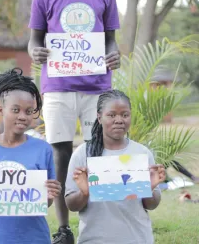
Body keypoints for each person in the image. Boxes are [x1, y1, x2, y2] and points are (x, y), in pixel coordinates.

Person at [28, 0, 121, 242]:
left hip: (98, 86)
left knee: (99, 152)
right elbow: (35, 39)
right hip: (58, 87)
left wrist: (114, 53)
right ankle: (63, 228)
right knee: (60, 152)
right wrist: (35, 52)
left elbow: (110, 38)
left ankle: (100, 224)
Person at [0, 68, 61, 244]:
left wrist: (49, 195)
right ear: (2, 110)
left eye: (29, 111)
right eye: (16, 110)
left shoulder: (43, 149)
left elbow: (44, 203)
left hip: (35, 239)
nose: (23, 116)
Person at [65, 90, 166, 244]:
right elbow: (71, 205)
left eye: (125, 115)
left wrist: (149, 188)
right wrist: (84, 193)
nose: (119, 120)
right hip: (94, 240)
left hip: (137, 239)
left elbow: (152, 205)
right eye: (111, 115)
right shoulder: (83, 153)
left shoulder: (141, 153)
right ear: (99, 117)